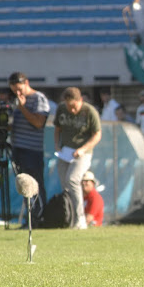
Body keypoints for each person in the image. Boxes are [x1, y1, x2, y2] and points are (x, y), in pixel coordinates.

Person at [53, 87, 102, 230]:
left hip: (83, 153)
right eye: (68, 106)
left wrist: (83, 149)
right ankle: (69, 217)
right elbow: (57, 129)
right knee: (65, 184)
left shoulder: (89, 111)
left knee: (73, 179)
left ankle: (80, 218)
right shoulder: (62, 109)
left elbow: (97, 135)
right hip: (65, 152)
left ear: (80, 100)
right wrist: (57, 145)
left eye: (74, 106)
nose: (71, 110)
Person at [8, 72, 50, 222]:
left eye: (19, 89)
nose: (17, 93)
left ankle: (40, 218)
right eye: (14, 91)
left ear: (27, 83)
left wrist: (23, 108)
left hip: (32, 151)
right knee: (23, 186)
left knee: (34, 185)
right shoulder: (18, 101)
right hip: (18, 149)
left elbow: (38, 123)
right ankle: (30, 219)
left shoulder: (39, 98)